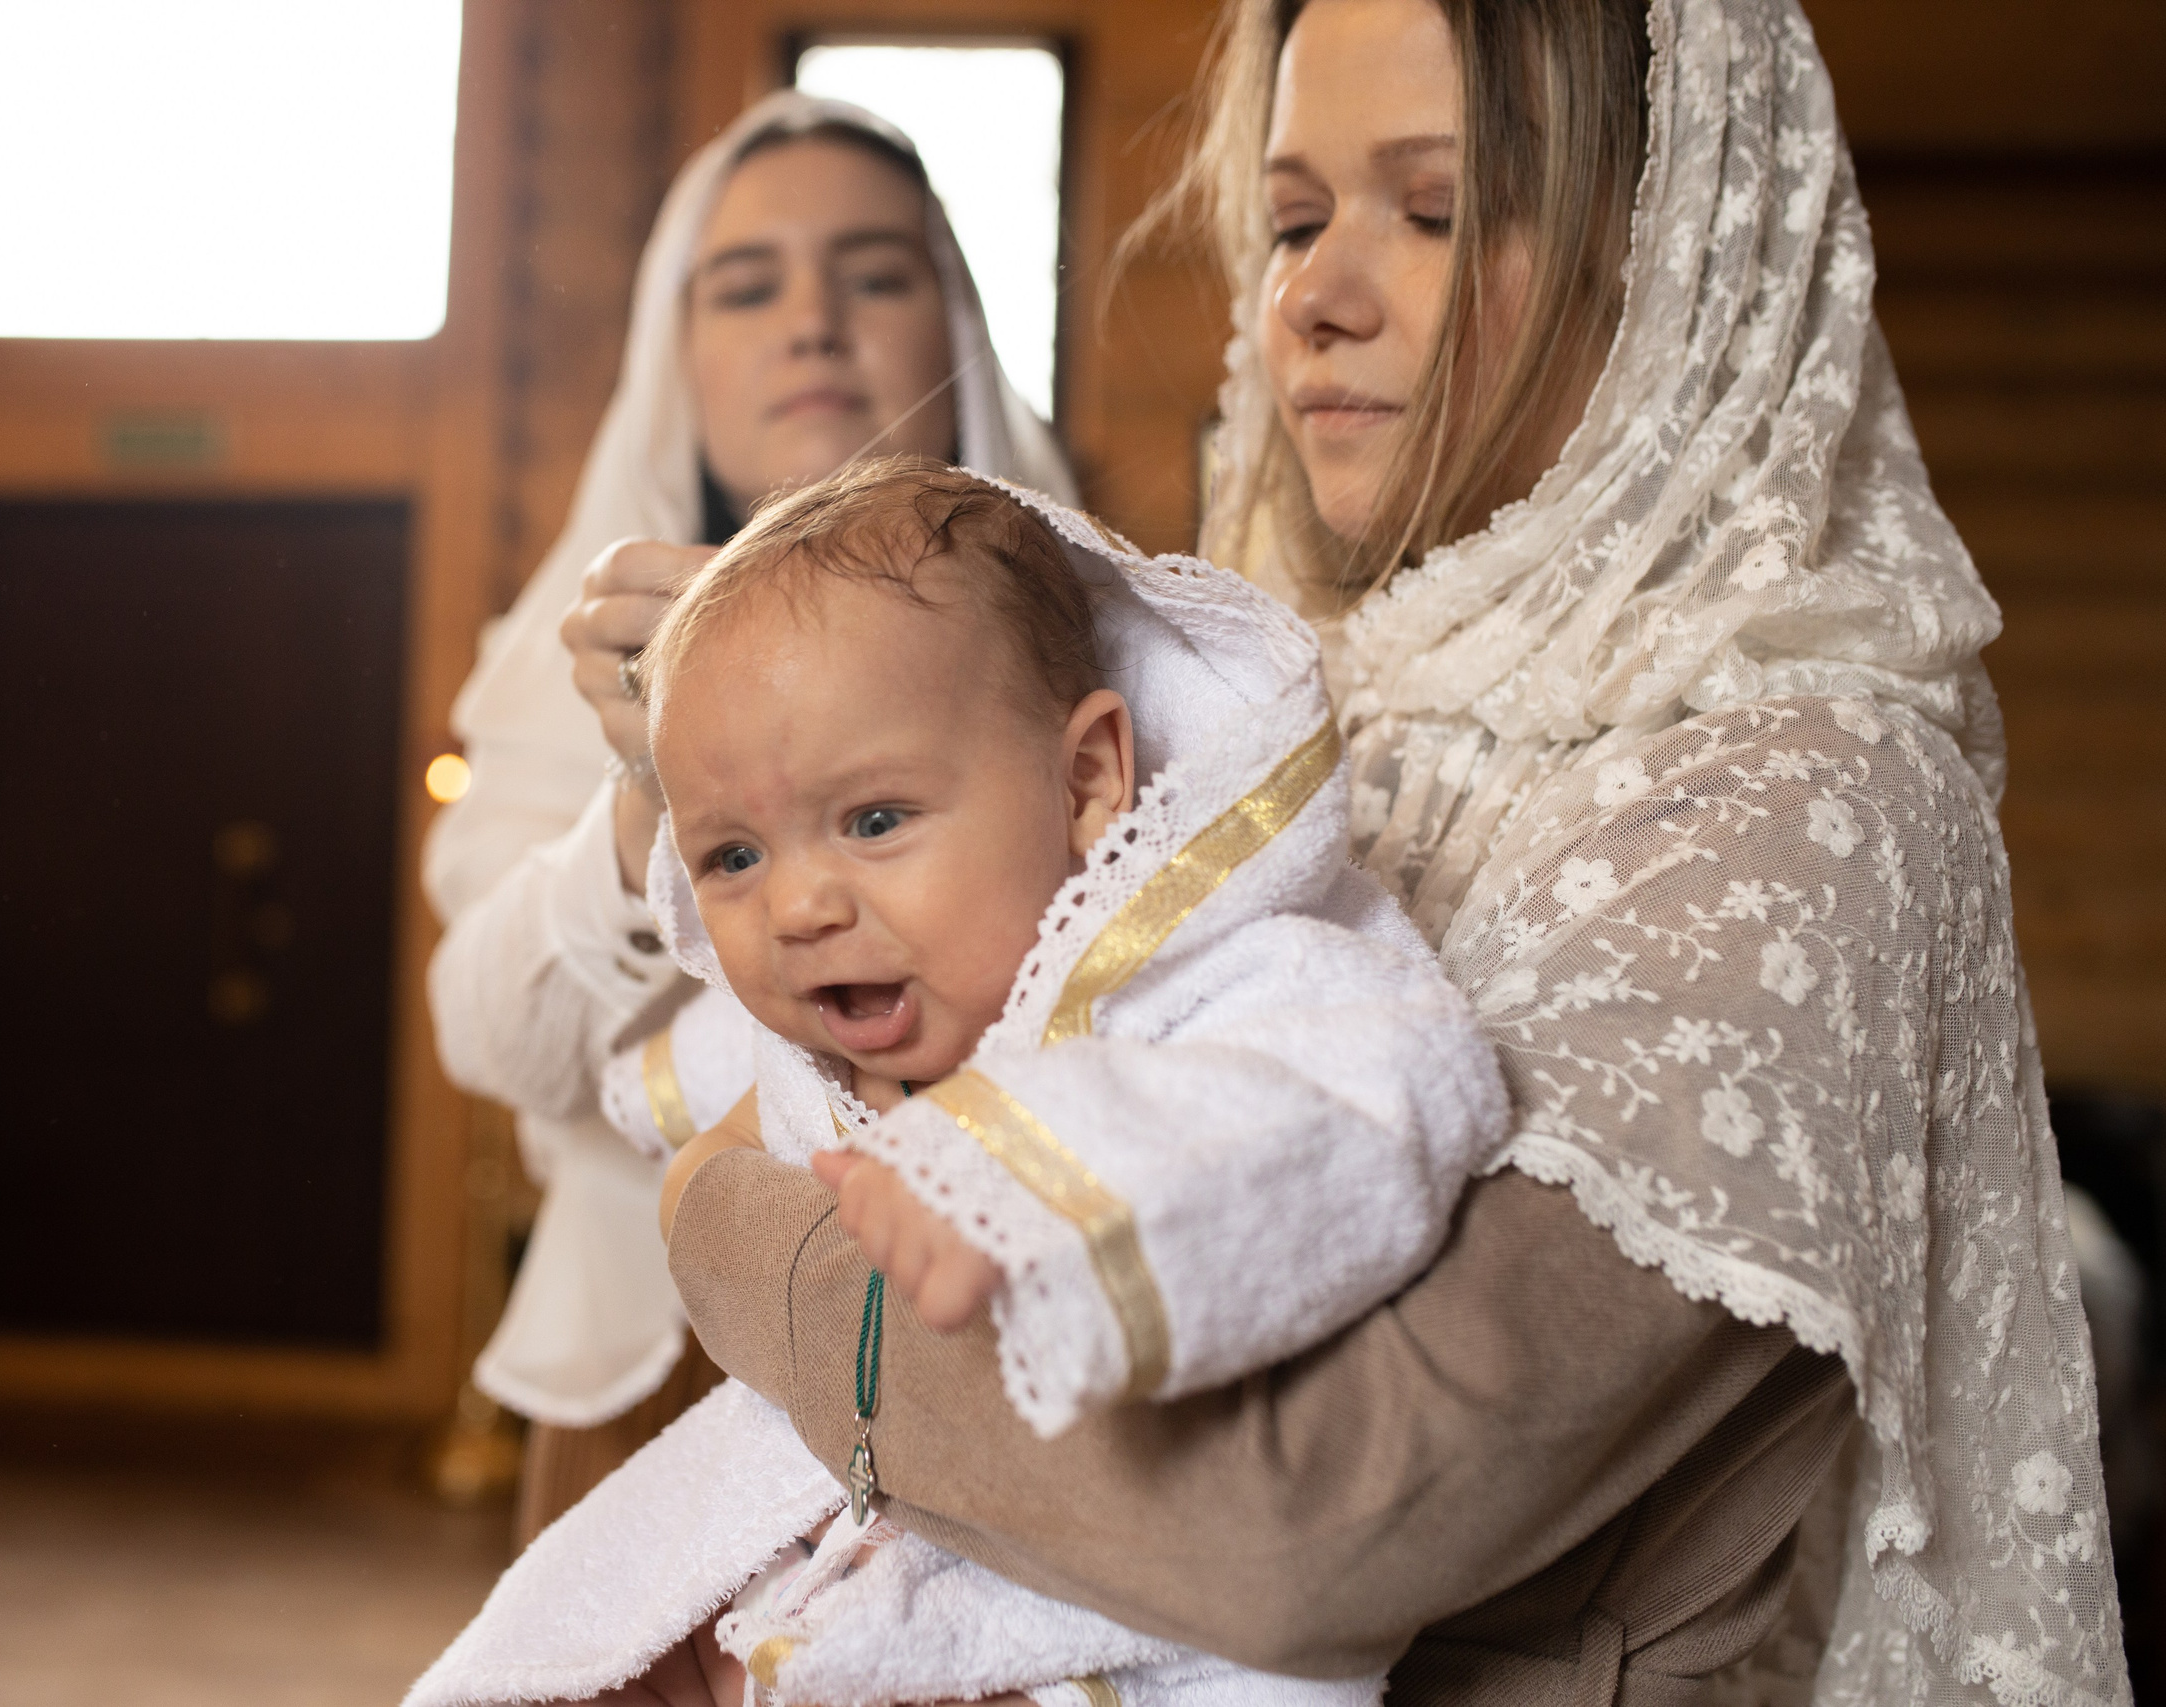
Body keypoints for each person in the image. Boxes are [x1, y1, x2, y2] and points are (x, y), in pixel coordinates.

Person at [659, 3, 2132, 1705]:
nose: (1316, 295)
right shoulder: (1278, 715)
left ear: (1665, 268)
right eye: (1294, 219)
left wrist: (731, 1225)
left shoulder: (1813, 802)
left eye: (1431, 211)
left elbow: (1291, 1523)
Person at [408, 461, 1502, 1707]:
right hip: (838, 1556)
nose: (800, 907)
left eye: (874, 821)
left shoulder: (1230, 974)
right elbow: (689, 1124)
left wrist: (1033, 1170)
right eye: (731, 855)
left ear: (1087, 778)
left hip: (1107, 1607)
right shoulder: (820, 1038)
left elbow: (1373, 1106)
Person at [422, 91, 1076, 1545]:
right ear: (679, 350)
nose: (813, 320)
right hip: (653, 1382)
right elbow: (487, 1034)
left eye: (876, 270)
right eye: (747, 283)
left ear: (954, 324)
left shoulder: (1097, 630)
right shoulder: (568, 652)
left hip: (1005, 1382)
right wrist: (650, 791)